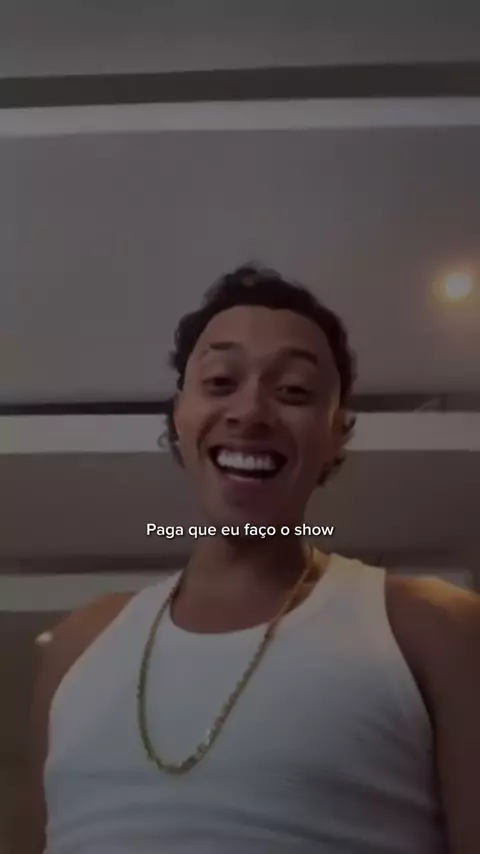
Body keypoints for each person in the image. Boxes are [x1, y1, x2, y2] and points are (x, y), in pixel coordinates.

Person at [18, 265, 479, 853]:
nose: (251, 412)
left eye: (294, 391)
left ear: (337, 432)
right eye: (220, 382)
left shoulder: (435, 630)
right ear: (178, 416)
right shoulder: (79, 643)